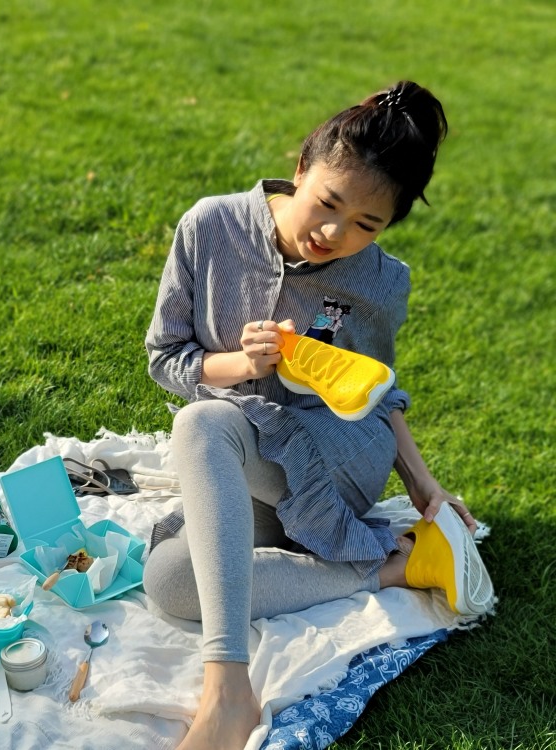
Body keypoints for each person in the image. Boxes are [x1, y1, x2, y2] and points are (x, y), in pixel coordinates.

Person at [142, 81, 494, 750]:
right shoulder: (211, 227)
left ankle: (228, 691)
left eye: (368, 224)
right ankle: (399, 567)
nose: (336, 234)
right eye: (328, 204)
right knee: (168, 582)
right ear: (300, 169)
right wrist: (241, 365)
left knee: (199, 424)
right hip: (248, 456)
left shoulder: (380, 280)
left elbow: (376, 391)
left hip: (338, 457)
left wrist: (423, 487)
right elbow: (166, 358)